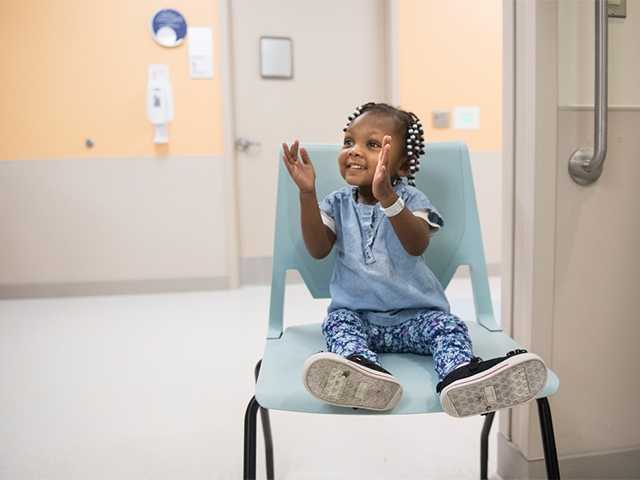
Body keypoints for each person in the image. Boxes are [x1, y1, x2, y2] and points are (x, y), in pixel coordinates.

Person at [281, 102, 547, 417]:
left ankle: (459, 375)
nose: (353, 151)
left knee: (449, 327)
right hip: (358, 318)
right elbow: (318, 249)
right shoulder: (336, 204)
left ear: (403, 165)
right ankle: (362, 372)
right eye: (349, 141)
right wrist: (307, 194)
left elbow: (416, 243)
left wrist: (388, 199)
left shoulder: (410, 200)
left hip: (415, 319)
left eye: (372, 145)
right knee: (337, 324)